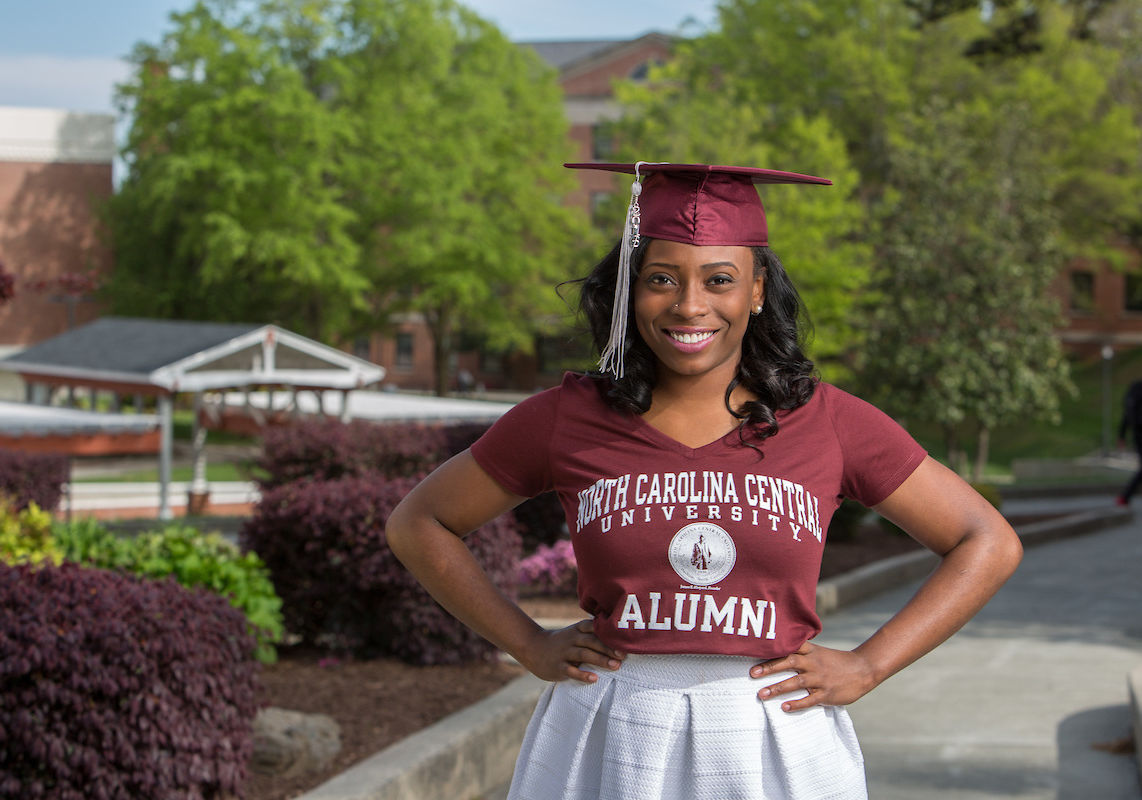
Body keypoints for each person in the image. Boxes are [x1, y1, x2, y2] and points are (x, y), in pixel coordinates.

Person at [386, 161, 1023, 800]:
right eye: (661, 279)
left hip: (772, 733)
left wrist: (871, 664)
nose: (690, 305)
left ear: (756, 288)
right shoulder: (566, 418)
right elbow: (420, 523)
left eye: (720, 279)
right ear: (630, 290)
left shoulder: (827, 421)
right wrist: (527, 643)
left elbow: (986, 540)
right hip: (612, 728)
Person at [1116, 377, 1142, 506]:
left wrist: (1121, 435)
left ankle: (1125, 496)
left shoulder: (1134, 389)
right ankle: (1125, 496)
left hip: (1137, 434)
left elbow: (1127, 415)